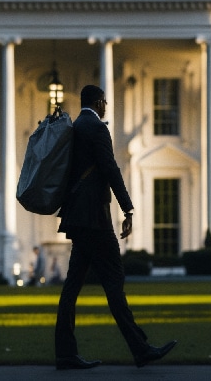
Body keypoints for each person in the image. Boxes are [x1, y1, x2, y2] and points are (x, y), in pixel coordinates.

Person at [54, 85, 177, 370]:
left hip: (77, 218)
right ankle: (141, 349)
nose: (106, 107)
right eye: (105, 102)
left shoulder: (74, 127)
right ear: (98, 103)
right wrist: (128, 208)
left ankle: (64, 353)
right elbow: (110, 169)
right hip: (94, 218)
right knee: (113, 281)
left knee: (72, 287)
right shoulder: (96, 129)